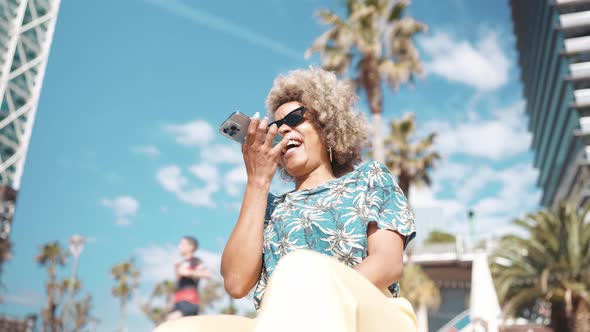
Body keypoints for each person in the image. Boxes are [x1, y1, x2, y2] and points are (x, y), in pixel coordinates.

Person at [155, 68, 417, 332]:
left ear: (327, 126)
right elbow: (235, 283)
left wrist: (310, 301)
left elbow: (388, 263)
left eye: (294, 118)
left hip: (370, 312)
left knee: (300, 266)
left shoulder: (369, 178)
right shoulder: (267, 207)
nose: (283, 129)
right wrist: (257, 182)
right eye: (275, 126)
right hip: (283, 321)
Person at [167, 236, 211, 320]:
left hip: (189, 301)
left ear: (191, 247)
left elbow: (207, 274)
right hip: (178, 301)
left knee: (172, 320)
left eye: (182, 244)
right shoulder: (181, 263)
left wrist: (188, 272)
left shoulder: (195, 261)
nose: (179, 247)